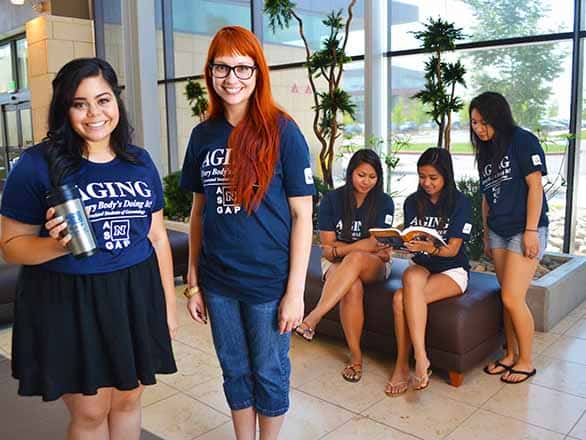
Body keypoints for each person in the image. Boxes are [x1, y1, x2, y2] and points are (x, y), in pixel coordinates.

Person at [0, 57, 177, 439]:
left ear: (116, 102)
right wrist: (60, 246)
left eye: (103, 100)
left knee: (129, 401)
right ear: (65, 108)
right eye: (80, 103)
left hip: (134, 295)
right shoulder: (36, 165)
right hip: (68, 302)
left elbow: (158, 236)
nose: (94, 113)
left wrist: (168, 307)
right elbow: (11, 247)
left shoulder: (139, 161)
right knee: (92, 412)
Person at [179, 26, 314, 440]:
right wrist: (193, 280)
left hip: (267, 283)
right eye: (222, 67)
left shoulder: (283, 131)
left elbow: (302, 217)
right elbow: (199, 212)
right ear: (210, 71)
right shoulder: (203, 135)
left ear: (258, 72)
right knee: (234, 369)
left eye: (242, 67)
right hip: (218, 282)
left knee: (269, 371)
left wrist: (295, 292)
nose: (231, 78)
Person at [295, 149, 394, 383]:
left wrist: (343, 249)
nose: (366, 181)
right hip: (335, 262)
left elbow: (377, 244)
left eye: (372, 176)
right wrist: (359, 247)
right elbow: (328, 245)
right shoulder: (332, 199)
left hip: (374, 264)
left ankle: (313, 319)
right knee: (352, 286)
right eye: (361, 175)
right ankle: (356, 358)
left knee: (356, 260)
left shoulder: (384, 202)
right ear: (351, 173)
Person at [470, 91, 548, 384]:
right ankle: (510, 355)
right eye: (474, 122)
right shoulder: (486, 153)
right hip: (499, 231)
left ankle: (526, 361)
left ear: (497, 116)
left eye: (482, 121)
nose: (478, 128)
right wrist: (488, 236)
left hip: (524, 229)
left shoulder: (522, 140)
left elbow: (535, 187)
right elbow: (486, 199)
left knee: (512, 297)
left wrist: (530, 231)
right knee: (508, 299)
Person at [385, 147, 472, 395]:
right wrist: (398, 243)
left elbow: (453, 250)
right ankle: (419, 360)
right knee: (411, 274)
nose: (427, 183)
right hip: (422, 266)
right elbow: (411, 237)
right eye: (422, 176)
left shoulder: (460, 202)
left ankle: (407, 363)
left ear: (446, 175)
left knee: (400, 298)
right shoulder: (414, 202)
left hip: (452, 270)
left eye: (433, 178)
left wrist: (428, 247)